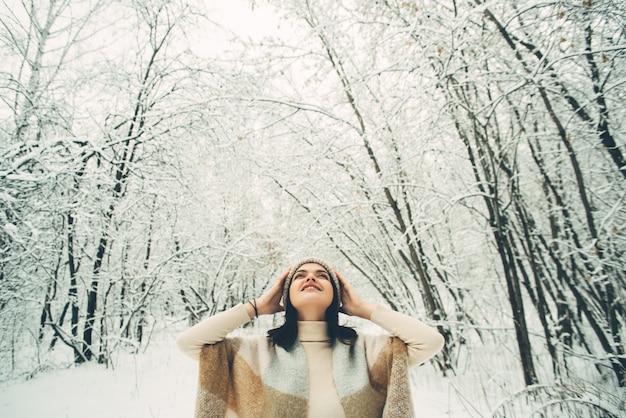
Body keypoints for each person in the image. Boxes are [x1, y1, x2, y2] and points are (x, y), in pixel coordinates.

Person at [176, 257, 445, 418]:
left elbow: (430, 341)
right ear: (286, 296)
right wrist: (255, 307)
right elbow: (189, 342)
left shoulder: (367, 351)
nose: (311, 279)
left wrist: (362, 309)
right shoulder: (256, 352)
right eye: (300, 277)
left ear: (337, 296)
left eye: (322, 276)